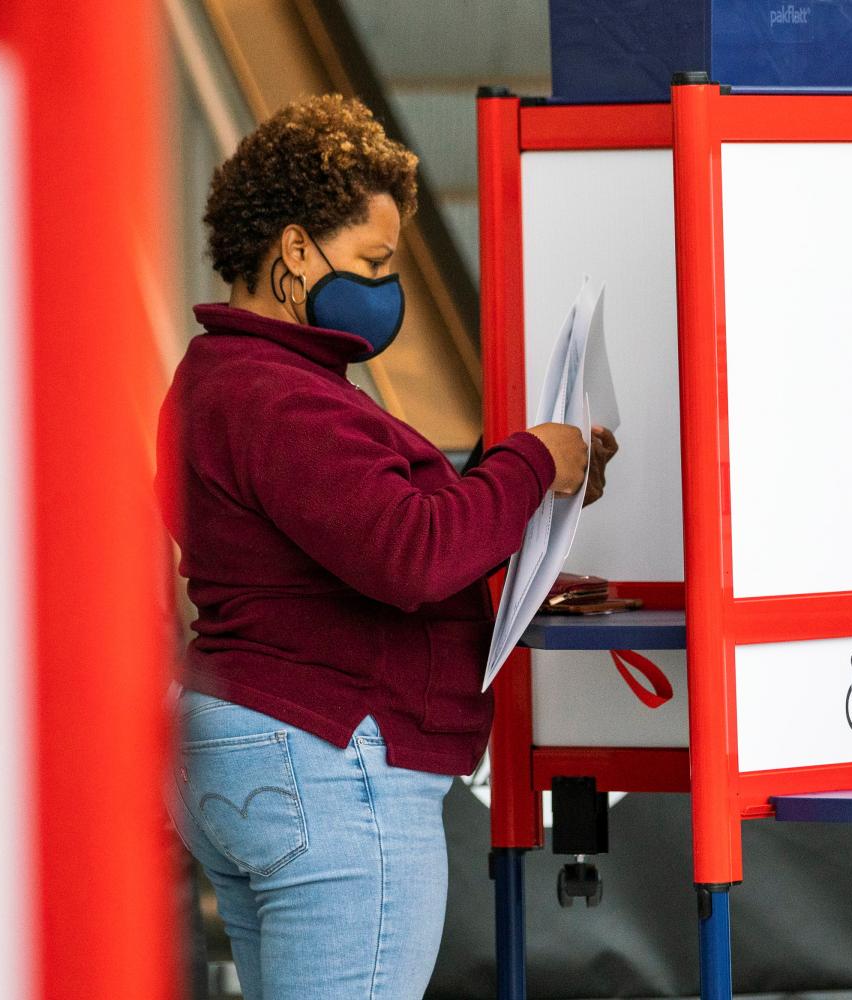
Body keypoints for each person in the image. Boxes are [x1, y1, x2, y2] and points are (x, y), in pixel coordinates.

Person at [155, 94, 618, 1000]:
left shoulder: (222, 380)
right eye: (371, 262)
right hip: (328, 760)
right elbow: (410, 553)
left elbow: (366, 524)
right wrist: (532, 462)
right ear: (294, 251)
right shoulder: (279, 395)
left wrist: (502, 478)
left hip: (251, 748)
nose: (384, 289)